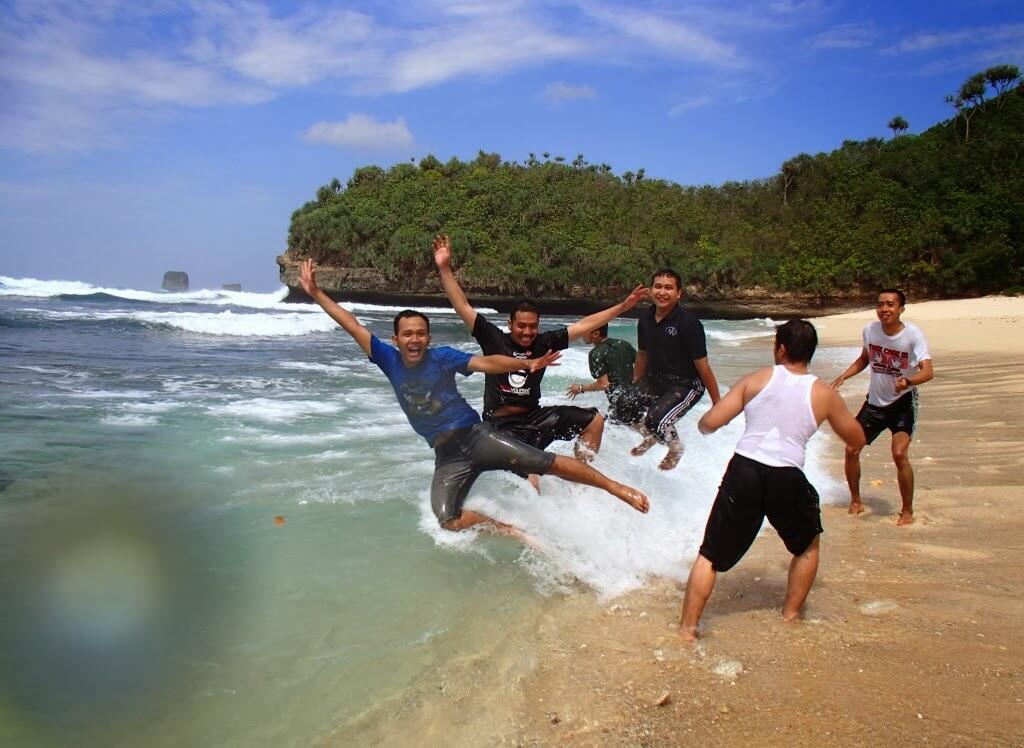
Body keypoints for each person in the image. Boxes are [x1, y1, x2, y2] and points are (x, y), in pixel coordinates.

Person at [298, 259, 649, 539]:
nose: (415, 339)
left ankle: (614, 488)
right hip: (454, 450)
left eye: (421, 333)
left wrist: (526, 363)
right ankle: (509, 530)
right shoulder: (388, 359)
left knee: (549, 461)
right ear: (396, 338)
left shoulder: (446, 356)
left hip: (481, 436)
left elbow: (486, 364)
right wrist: (316, 294)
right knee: (447, 519)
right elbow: (353, 324)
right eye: (408, 334)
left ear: (429, 336)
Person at [679, 320, 866, 641]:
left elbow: (709, 423)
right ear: (810, 352)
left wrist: (706, 423)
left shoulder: (757, 379)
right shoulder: (823, 393)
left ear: (781, 348)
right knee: (807, 545)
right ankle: (790, 616)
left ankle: (686, 630)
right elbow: (857, 437)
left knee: (709, 555)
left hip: (744, 470)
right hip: (787, 476)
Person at [433, 234, 648, 487]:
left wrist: (622, 307)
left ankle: (579, 482)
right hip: (501, 427)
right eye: (521, 326)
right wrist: (445, 268)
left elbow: (583, 326)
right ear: (510, 324)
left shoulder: (544, 342)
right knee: (531, 478)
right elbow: (462, 306)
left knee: (595, 420)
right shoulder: (494, 340)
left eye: (532, 327)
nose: (527, 332)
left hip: (535, 420)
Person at [830, 289, 934, 526]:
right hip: (875, 404)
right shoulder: (870, 330)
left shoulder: (913, 336)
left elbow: (928, 371)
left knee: (899, 454)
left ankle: (907, 510)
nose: (884, 309)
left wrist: (908, 381)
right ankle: (855, 500)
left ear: (901, 309)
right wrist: (843, 376)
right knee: (851, 450)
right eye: (880, 305)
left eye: (890, 304)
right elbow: (865, 358)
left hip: (902, 403)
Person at [629, 268, 721, 470]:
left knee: (655, 419)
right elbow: (642, 354)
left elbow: (703, 365)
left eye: (669, 288)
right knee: (622, 406)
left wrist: (717, 403)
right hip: (656, 380)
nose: (662, 292)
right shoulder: (645, 318)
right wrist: (635, 385)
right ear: (651, 290)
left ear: (679, 293)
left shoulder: (689, 324)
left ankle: (675, 446)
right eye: (658, 286)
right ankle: (651, 437)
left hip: (686, 384)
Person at [566, 324, 640, 426]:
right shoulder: (624, 344)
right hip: (635, 394)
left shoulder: (595, 353)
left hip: (619, 401)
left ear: (596, 333)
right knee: (641, 430)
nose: (582, 335)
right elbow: (642, 365)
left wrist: (580, 388)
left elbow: (603, 385)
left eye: (585, 332)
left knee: (606, 431)